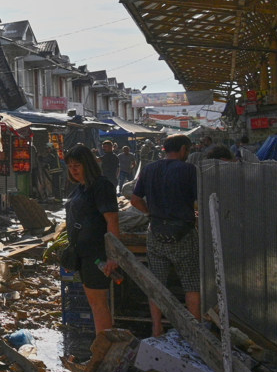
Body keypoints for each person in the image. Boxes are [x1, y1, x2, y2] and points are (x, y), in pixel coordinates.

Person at [131, 134, 200, 337]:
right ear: (183, 150)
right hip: (184, 235)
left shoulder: (149, 169)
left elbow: (135, 199)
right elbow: (199, 202)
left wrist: (150, 213)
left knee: (157, 284)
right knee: (191, 284)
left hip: (156, 233)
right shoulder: (188, 170)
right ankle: (195, 332)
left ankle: (156, 329)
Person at [63, 144, 122, 335]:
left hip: (97, 254)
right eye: (70, 166)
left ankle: (103, 350)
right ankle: (101, 346)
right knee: (95, 303)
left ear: (88, 164)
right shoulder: (81, 188)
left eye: (77, 165)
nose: (74, 170)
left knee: (98, 305)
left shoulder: (101, 186)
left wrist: (113, 256)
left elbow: (112, 221)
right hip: (85, 254)